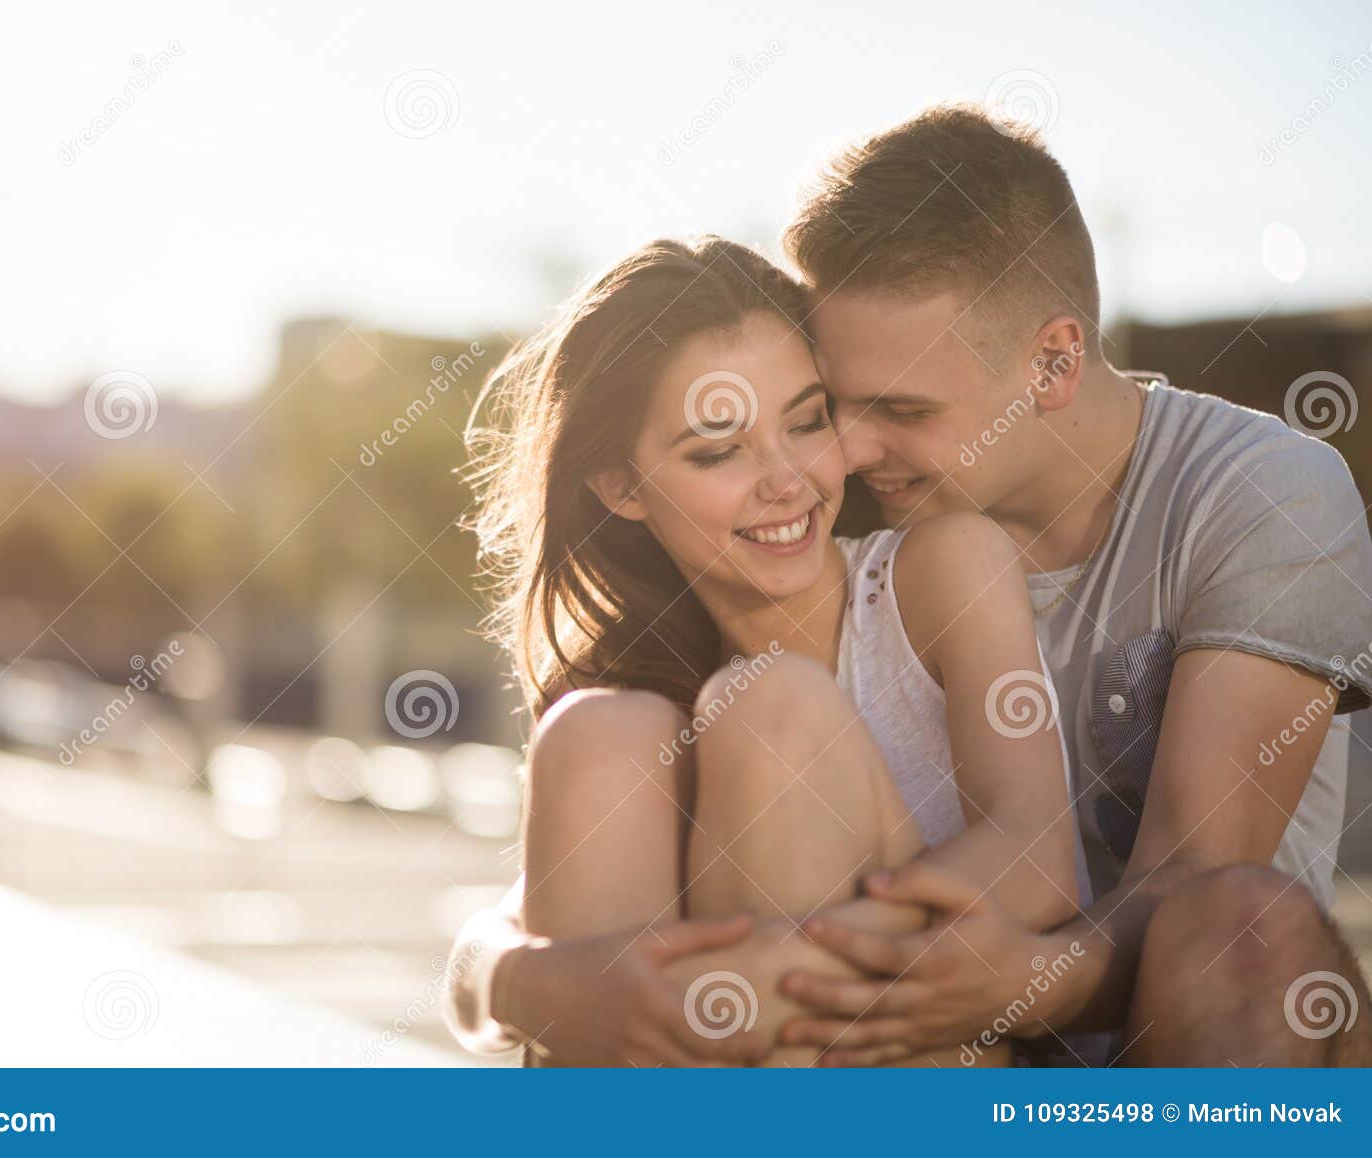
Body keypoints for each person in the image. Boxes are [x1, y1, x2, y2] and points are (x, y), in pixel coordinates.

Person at [765, 103, 1372, 1065]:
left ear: (1053, 361)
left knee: (1247, 927)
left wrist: (1012, 988)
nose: (845, 449)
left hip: (1171, 1058)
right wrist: (516, 972)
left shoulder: (1260, 489)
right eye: (830, 404)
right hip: (915, 1058)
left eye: (902, 409)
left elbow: (1198, 874)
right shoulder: (816, 503)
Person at [446, 234, 1080, 1066]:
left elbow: (1042, 864)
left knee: (773, 704)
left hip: (930, 1074)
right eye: (718, 450)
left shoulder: (939, 569)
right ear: (621, 487)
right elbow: (485, 954)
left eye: (808, 421)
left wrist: (751, 976)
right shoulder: (644, 702)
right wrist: (533, 985)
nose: (786, 481)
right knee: (593, 731)